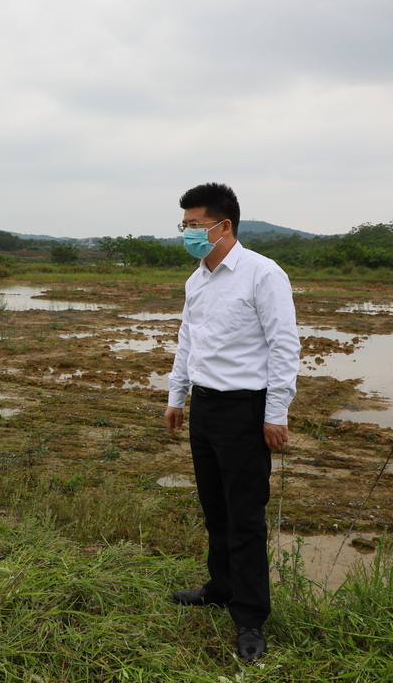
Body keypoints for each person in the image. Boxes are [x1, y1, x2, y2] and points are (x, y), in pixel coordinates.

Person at [163, 183, 300, 662]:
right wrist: (176, 396)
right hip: (204, 408)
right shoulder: (197, 279)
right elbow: (187, 340)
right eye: (184, 226)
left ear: (224, 226)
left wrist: (275, 413)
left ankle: (250, 617)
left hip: (246, 410)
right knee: (215, 509)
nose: (187, 234)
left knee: (244, 517)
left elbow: (284, 346)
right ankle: (219, 588)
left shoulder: (263, 274)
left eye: (194, 225)